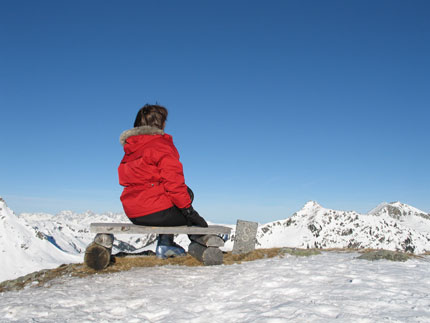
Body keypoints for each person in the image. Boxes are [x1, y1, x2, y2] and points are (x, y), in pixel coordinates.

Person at [118, 104, 208, 259]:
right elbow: (174, 182)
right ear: (160, 123)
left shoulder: (131, 150)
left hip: (133, 213)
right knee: (187, 194)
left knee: (176, 197)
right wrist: (190, 212)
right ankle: (167, 244)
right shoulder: (161, 145)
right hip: (156, 213)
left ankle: (167, 242)